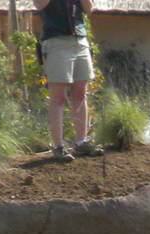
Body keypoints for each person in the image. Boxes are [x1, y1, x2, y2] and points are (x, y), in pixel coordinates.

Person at [34, 0, 102, 161]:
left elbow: (89, 9)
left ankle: (81, 142)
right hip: (56, 42)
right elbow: (39, 5)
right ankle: (58, 146)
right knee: (59, 97)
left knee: (81, 93)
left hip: (80, 40)